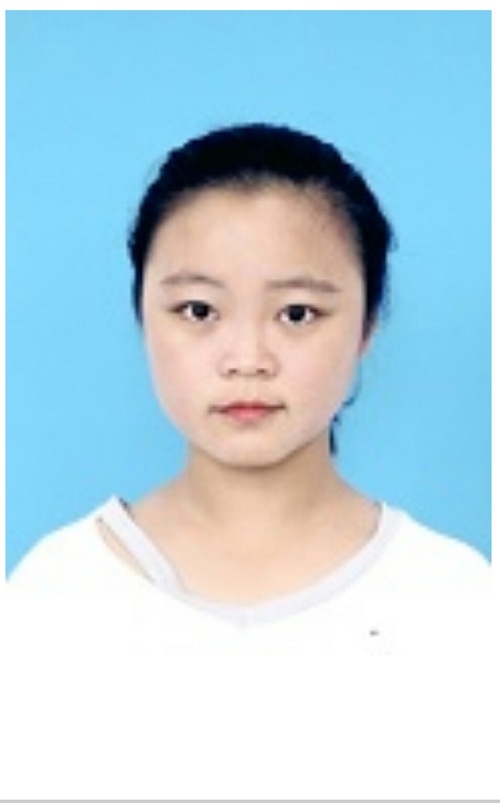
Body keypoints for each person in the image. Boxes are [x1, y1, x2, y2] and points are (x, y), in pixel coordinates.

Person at [2, 123, 495, 802]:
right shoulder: (55, 595)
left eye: (297, 314)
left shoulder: (457, 602)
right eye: (198, 309)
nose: (246, 359)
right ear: (142, 316)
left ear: (366, 328)